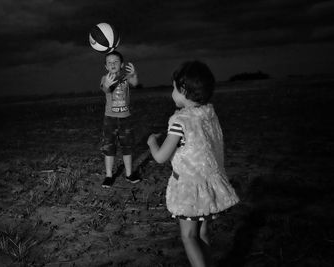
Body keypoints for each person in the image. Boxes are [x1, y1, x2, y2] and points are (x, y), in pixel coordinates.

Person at [147, 61, 239, 267]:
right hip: (208, 185)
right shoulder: (209, 116)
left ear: (184, 90)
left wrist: (152, 143)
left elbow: (161, 157)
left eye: (173, 88)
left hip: (190, 189)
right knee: (203, 232)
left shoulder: (180, 122)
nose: (172, 93)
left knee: (189, 236)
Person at [100, 50, 140, 188]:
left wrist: (133, 74)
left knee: (127, 147)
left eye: (115, 61)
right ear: (106, 66)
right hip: (110, 119)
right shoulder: (105, 78)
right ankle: (109, 175)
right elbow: (105, 89)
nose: (112, 64)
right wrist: (107, 84)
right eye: (109, 62)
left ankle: (129, 174)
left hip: (125, 118)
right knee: (109, 147)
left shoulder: (126, 77)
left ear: (121, 64)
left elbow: (135, 83)